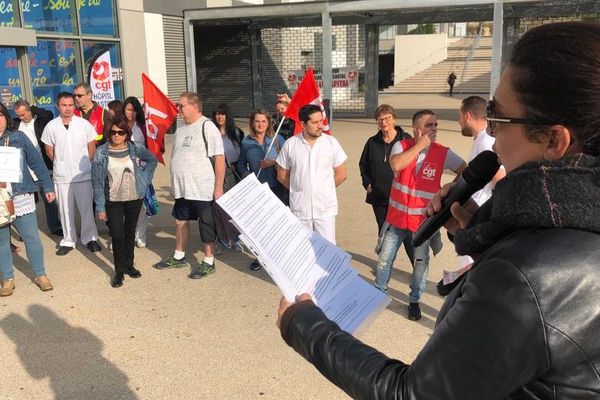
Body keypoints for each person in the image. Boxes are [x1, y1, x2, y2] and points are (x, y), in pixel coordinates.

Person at [276, 22, 600, 399]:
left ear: (555, 140)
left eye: (498, 116)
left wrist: (304, 325)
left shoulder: (526, 276)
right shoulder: (567, 227)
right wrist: (480, 233)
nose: (492, 133)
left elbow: (412, 393)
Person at [373, 110, 466, 320]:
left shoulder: (443, 152)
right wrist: (420, 146)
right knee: (385, 259)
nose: (434, 129)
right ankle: (379, 294)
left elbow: (464, 170)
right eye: (429, 126)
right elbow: (396, 164)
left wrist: (450, 187)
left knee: (420, 264)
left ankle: (414, 301)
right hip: (396, 219)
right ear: (417, 130)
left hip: (422, 222)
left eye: (435, 125)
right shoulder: (402, 145)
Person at [153, 91, 225, 280]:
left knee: (206, 225)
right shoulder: (181, 128)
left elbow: (219, 159)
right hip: (182, 188)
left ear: (194, 106)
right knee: (180, 222)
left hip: (202, 188)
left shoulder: (208, 127)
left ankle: (209, 261)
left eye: (181, 106)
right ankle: (179, 256)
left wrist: (218, 188)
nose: (178, 110)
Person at [91, 116, 157, 288]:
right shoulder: (101, 153)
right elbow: (97, 182)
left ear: (126, 134)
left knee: (130, 232)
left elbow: (152, 160)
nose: (116, 136)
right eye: (113, 132)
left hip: (134, 198)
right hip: (112, 200)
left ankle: (129, 265)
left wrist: (144, 179)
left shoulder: (135, 148)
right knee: (117, 235)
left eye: (120, 132)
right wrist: (100, 206)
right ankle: (119, 271)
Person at [0, 103, 56, 296]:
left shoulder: (18, 137)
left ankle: (40, 274)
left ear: (6, 117)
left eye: (0, 115)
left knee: (31, 237)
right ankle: (7, 279)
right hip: (0, 199)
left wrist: (47, 186)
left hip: (21, 193)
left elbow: (37, 163)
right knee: (1, 241)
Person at [277, 104, 347, 245]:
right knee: (303, 250)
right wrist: (299, 189)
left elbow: (341, 173)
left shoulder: (331, 143)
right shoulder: (291, 144)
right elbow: (281, 175)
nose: (320, 125)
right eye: (315, 122)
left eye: (321, 121)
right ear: (303, 124)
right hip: (300, 209)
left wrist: (324, 189)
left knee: (328, 250)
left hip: (325, 209)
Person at [41, 92, 101, 256]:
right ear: (58, 106)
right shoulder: (51, 126)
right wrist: (61, 162)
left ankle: (90, 238)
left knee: (87, 208)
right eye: (64, 105)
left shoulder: (83, 124)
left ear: (74, 106)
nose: (67, 108)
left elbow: (92, 146)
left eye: (70, 105)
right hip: (62, 176)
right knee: (65, 210)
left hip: (83, 174)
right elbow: (48, 149)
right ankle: (68, 240)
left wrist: (85, 163)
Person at [358, 104, 415, 264]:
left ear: (394, 119)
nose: (384, 122)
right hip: (379, 197)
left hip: (402, 197)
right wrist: (367, 184)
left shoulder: (406, 140)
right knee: (384, 232)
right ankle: (384, 266)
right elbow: (363, 165)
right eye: (380, 119)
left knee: (408, 234)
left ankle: (417, 268)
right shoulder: (372, 142)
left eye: (387, 118)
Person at [454, 96, 505, 271]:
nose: (458, 121)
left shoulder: (485, 143)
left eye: (459, 116)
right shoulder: (483, 140)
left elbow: (500, 179)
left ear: (467, 116)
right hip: (477, 217)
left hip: (479, 219)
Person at [237, 109, 286, 270]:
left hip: (277, 187)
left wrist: (272, 162)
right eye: (257, 121)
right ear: (252, 123)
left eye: (263, 121)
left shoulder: (277, 139)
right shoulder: (246, 142)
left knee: (276, 223)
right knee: (259, 225)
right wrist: (246, 176)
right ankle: (261, 256)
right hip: (257, 188)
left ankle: (278, 256)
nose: (260, 124)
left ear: (268, 122)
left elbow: (290, 158)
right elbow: (240, 164)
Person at [12, 100, 62, 236]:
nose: (21, 118)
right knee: (23, 203)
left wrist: (33, 108)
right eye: (18, 115)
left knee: (49, 199)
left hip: (41, 167)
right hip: (23, 171)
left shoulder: (40, 121)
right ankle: (26, 232)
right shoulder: (15, 124)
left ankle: (55, 227)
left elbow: (48, 114)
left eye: (23, 114)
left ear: (29, 111)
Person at [122, 96, 155, 248]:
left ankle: (140, 234)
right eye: (129, 109)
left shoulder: (143, 127)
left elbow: (152, 147)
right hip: (122, 170)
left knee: (142, 204)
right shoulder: (118, 126)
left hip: (141, 170)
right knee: (124, 204)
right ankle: (125, 235)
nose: (131, 113)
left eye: (135, 110)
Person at [211, 103, 244, 251]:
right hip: (214, 175)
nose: (219, 116)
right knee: (216, 208)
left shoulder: (236, 133)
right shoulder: (210, 132)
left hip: (232, 175)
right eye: (217, 114)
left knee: (232, 208)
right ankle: (217, 239)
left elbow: (241, 154)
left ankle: (234, 238)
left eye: (222, 114)